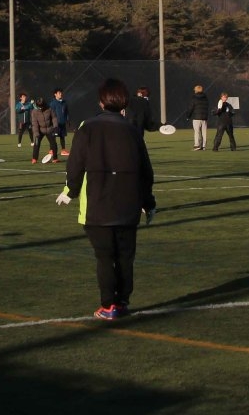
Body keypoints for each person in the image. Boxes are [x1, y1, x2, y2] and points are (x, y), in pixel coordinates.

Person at [58, 77, 156, 320]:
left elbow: (75, 164)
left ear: (101, 102)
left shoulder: (87, 127)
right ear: (124, 103)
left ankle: (108, 304)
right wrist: (148, 202)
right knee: (125, 257)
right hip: (128, 205)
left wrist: (70, 191)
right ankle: (122, 302)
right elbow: (146, 171)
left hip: (97, 205)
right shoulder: (132, 130)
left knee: (104, 257)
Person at [29, 97, 61, 163]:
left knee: (53, 144)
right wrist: (36, 133)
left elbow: (54, 118)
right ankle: (34, 159)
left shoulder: (49, 109)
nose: (41, 108)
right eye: (39, 107)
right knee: (36, 144)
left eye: (42, 106)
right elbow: (34, 123)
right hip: (40, 130)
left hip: (50, 129)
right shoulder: (34, 112)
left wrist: (55, 127)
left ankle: (55, 159)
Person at [186, 85, 212, 151]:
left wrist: (188, 116)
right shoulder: (205, 98)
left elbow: (191, 108)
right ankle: (203, 146)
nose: (194, 90)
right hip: (204, 118)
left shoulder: (194, 98)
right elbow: (207, 107)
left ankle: (197, 145)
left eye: (195, 89)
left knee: (196, 132)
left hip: (196, 117)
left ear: (196, 90)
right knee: (204, 132)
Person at [51, 89, 71, 155]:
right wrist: (52, 122)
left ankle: (63, 150)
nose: (61, 94)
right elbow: (50, 113)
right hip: (55, 124)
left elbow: (67, 112)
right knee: (53, 137)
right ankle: (51, 150)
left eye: (61, 93)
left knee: (62, 137)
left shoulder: (64, 102)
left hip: (63, 123)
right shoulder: (53, 103)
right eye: (59, 93)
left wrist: (68, 120)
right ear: (55, 94)